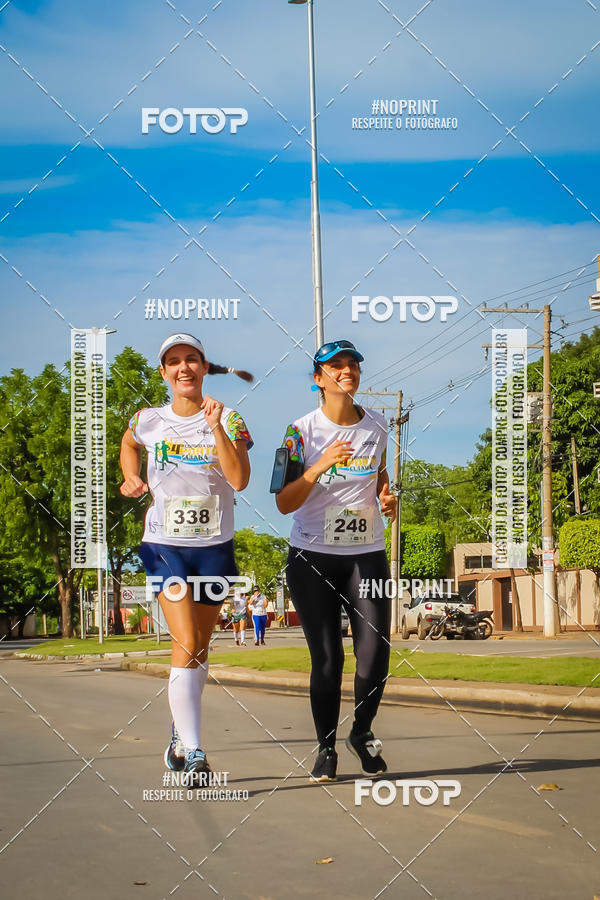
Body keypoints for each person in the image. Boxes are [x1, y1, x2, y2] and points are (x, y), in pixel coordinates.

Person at [119, 333, 253, 781]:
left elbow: (239, 480)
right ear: (164, 373)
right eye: (174, 361)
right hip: (165, 545)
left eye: (192, 359)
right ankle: (195, 752)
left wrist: (214, 426)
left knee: (199, 645)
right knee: (184, 643)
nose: (183, 368)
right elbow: (128, 442)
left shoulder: (230, 419)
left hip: (214, 548)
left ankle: (179, 732)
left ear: (203, 366)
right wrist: (130, 477)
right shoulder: (148, 419)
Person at [275, 339, 396, 783]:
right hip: (312, 557)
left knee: (376, 652)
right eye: (336, 366)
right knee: (328, 659)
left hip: (367, 553)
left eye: (353, 365)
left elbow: (379, 476)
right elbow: (284, 502)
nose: (347, 371)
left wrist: (386, 498)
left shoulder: (379, 425)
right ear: (318, 380)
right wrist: (319, 464)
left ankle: (361, 732)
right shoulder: (299, 432)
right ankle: (326, 748)